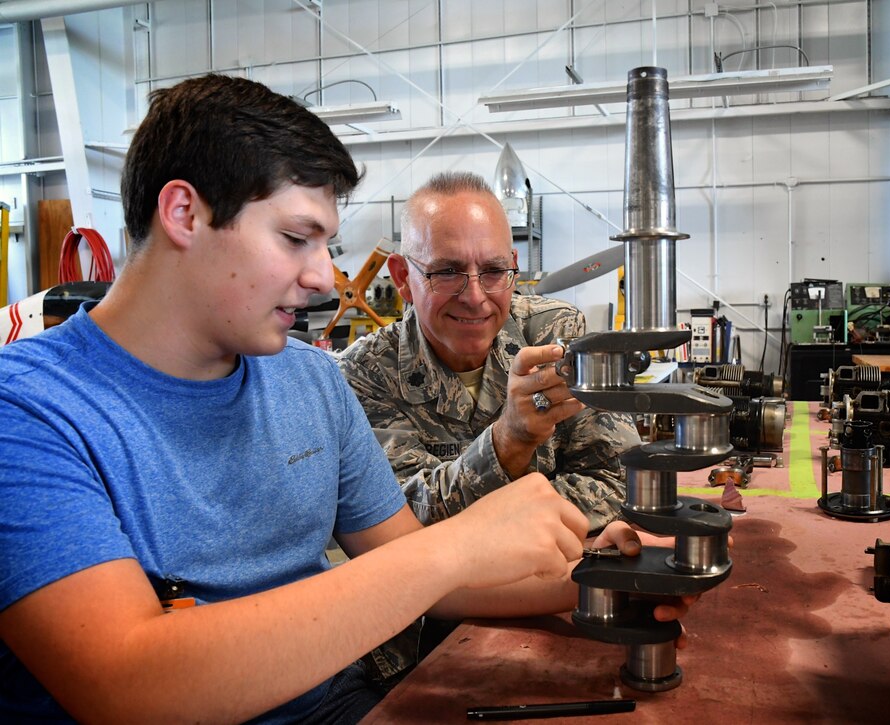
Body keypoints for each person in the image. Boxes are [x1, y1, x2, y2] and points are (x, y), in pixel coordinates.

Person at [0, 74, 691, 724]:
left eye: (326, 243)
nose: (326, 280)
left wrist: (594, 583)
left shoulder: (310, 380)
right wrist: (455, 546)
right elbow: (127, 682)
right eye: (297, 238)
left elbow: (416, 575)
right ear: (185, 212)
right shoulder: (30, 410)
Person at [338, 172, 643, 534]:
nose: (474, 297)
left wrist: (493, 525)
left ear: (512, 266)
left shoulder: (554, 333)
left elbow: (620, 478)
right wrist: (507, 443)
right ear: (403, 277)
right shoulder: (363, 374)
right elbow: (399, 523)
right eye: (447, 271)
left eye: (494, 270)